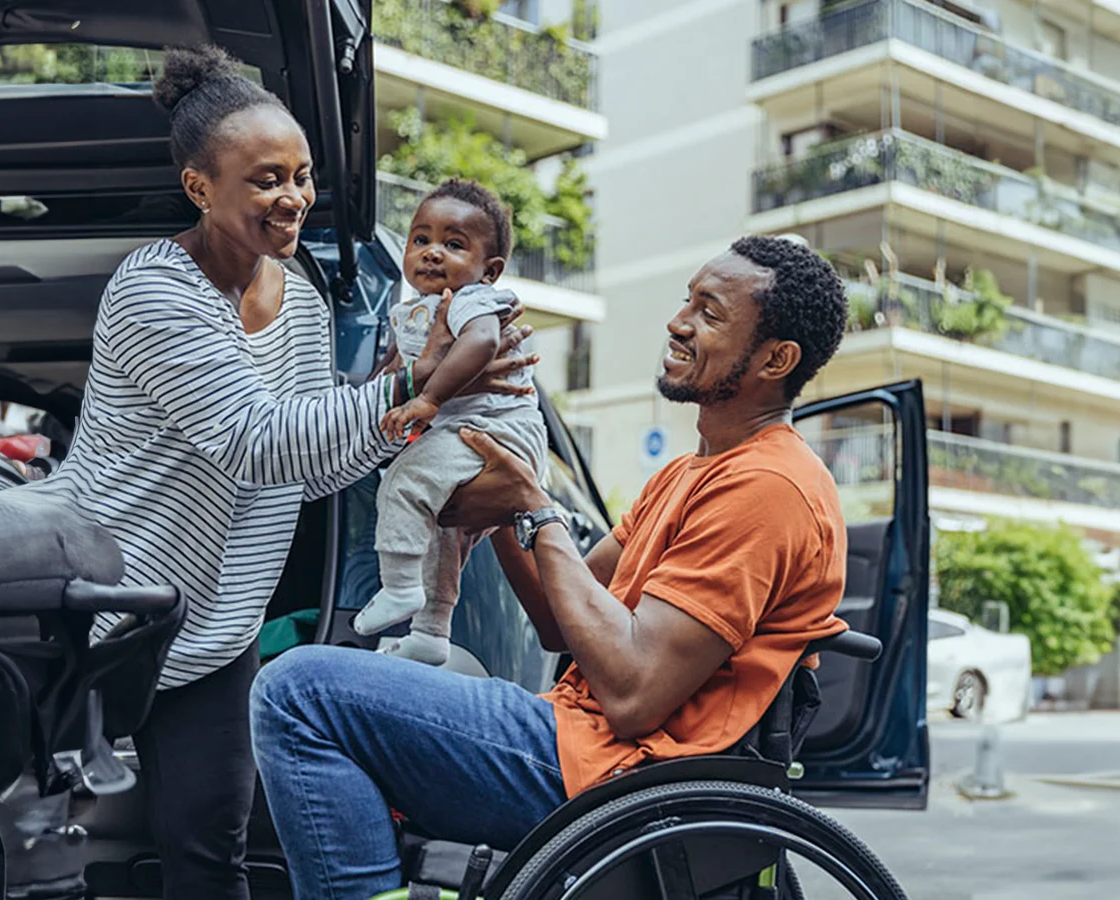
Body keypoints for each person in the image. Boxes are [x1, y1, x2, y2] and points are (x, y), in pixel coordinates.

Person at [24, 45, 534, 900]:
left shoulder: (297, 294)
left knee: (208, 852)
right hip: (108, 613)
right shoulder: (155, 291)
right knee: (46, 849)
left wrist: (427, 410)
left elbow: (311, 457)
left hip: (219, 627)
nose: (293, 196)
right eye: (265, 179)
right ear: (199, 188)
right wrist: (413, 383)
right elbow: (255, 440)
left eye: (300, 175)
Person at [251, 235, 853, 900]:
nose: (678, 323)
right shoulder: (691, 472)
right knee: (383, 673)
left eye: (710, 314)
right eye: (687, 302)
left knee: (299, 692)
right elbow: (559, 622)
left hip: (623, 775)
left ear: (777, 358)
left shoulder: (769, 488)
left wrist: (534, 507)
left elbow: (632, 694)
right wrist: (507, 505)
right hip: (583, 743)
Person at [352, 179, 547, 665]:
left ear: (490, 270)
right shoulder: (411, 312)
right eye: (421, 240)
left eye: (453, 244)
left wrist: (429, 399)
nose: (432, 253)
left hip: (496, 433)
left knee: (405, 479)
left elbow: (480, 344)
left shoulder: (472, 300)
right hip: (468, 435)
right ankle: (431, 632)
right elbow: (389, 376)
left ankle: (398, 589)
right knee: (441, 535)